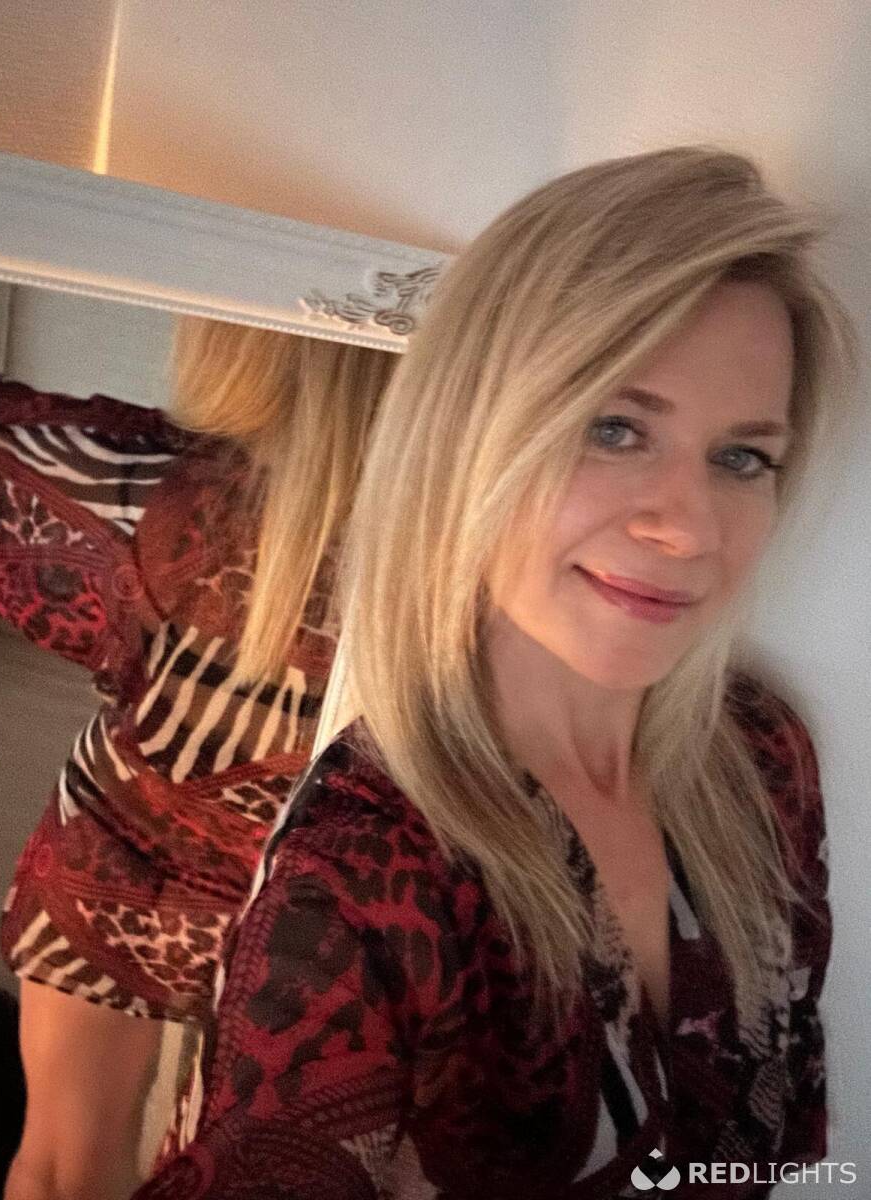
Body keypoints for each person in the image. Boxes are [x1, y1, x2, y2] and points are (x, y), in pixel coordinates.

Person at [131, 144, 858, 1200]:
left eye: (740, 457)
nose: (689, 527)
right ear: (469, 437)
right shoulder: (367, 876)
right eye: (614, 429)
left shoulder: (758, 757)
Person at [0, 321, 397, 1200]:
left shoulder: (154, 490)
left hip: (121, 862)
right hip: (324, 916)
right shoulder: (500, 548)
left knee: (61, 1169)